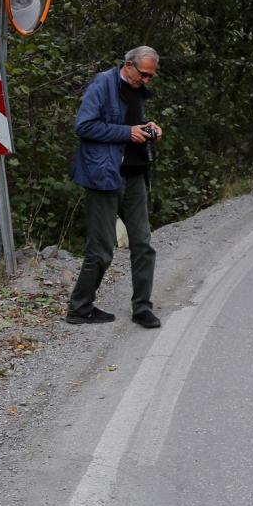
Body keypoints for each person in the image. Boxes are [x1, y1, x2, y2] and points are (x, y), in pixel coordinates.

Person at [65, 46, 164, 329]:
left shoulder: (137, 89)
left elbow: (130, 123)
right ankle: (80, 307)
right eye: (143, 74)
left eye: (150, 76)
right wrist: (127, 132)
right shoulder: (103, 84)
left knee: (143, 244)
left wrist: (148, 128)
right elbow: (83, 126)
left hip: (134, 176)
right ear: (129, 65)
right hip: (103, 176)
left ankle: (142, 309)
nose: (146, 80)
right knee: (101, 249)